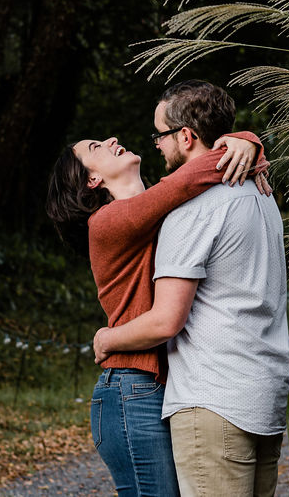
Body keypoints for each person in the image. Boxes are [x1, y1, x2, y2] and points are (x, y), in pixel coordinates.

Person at [45, 119, 269, 497]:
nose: (112, 139)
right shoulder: (109, 222)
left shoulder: (161, 214)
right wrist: (246, 143)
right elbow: (185, 180)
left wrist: (248, 143)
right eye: (96, 146)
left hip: (167, 389)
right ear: (92, 181)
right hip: (132, 392)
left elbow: (187, 183)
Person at [93, 80, 289, 497]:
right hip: (264, 391)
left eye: (160, 135)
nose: (156, 146)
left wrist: (106, 337)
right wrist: (248, 143)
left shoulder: (191, 211)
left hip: (214, 398)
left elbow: (167, 319)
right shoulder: (261, 192)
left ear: (185, 136)